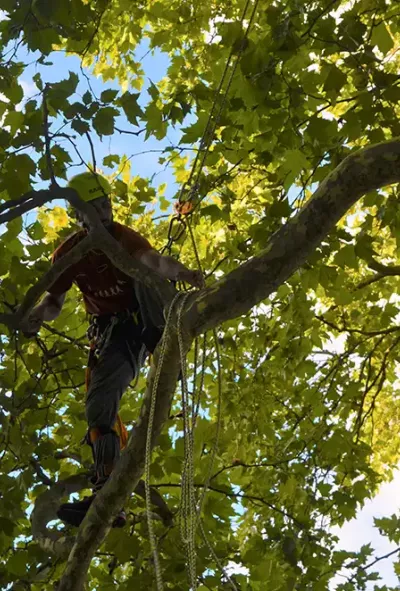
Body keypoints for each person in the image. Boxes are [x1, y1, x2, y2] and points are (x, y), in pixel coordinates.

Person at [21, 172, 203, 528]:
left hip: (145, 316)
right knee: (98, 403)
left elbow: (155, 262)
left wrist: (185, 274)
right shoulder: (70, 253)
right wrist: (36, 318)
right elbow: (53, 301)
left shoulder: (123, 238)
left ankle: (163, 344)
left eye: (106, 203)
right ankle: (107, 489)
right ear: (78, 214)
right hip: (114, 335)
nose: (104, 211)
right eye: (94, 206)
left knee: (143, 272)